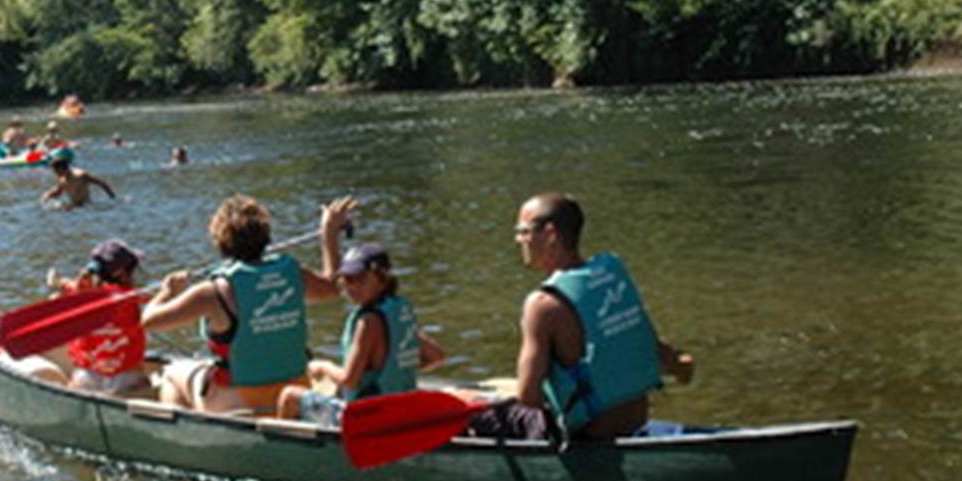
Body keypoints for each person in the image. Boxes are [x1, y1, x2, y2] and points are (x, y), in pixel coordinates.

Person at [470, 192, 694, 442]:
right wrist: (680, 366)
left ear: (550, 234)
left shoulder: (543, 305)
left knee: (477, 415)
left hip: (587, 434)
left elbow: (528, 399)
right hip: (633, 421)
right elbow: (653, 348)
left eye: (524, 231)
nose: (518, 239)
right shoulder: (610, 277)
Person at [141, 193, 338, 414]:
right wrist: (329, 234)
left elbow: (148, 322)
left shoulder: (212, 292)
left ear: (220, 240)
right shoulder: (294, 274)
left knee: (171, 374)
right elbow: (333, 287)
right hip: (295, 389)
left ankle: (188, 433)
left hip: (240, 399)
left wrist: (166, 292)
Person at [276, 215, 446, 427]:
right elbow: (436, 356)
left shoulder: (367, 323)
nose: (352, 287)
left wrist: (323, 366)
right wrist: (396, 372)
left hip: (368, 418)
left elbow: (349, 379)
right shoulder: (396, 315)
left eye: (361, 279)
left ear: (382, 278)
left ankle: (282, 448)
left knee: (289, 396)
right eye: (347, 279)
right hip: (401, 408)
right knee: (334, 391)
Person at [47, 239, 151, 393]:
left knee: (76, 379)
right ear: (123, 273)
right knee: (145, 383)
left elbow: (60, 290)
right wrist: (169, 290)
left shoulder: (79, 292)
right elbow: (153, 299)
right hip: (128, 376)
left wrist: (58, 284)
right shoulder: (132, 296)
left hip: (87, 375)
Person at [40, 148, 117, 208]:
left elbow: (102, 183)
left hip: (87, 207)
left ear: (60, 169)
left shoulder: (80, 175)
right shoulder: (62, 180)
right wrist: (47, 195)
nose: (54, 173)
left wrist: (113, 199)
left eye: (55, 171)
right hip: (75, 206)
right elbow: (58, 192)